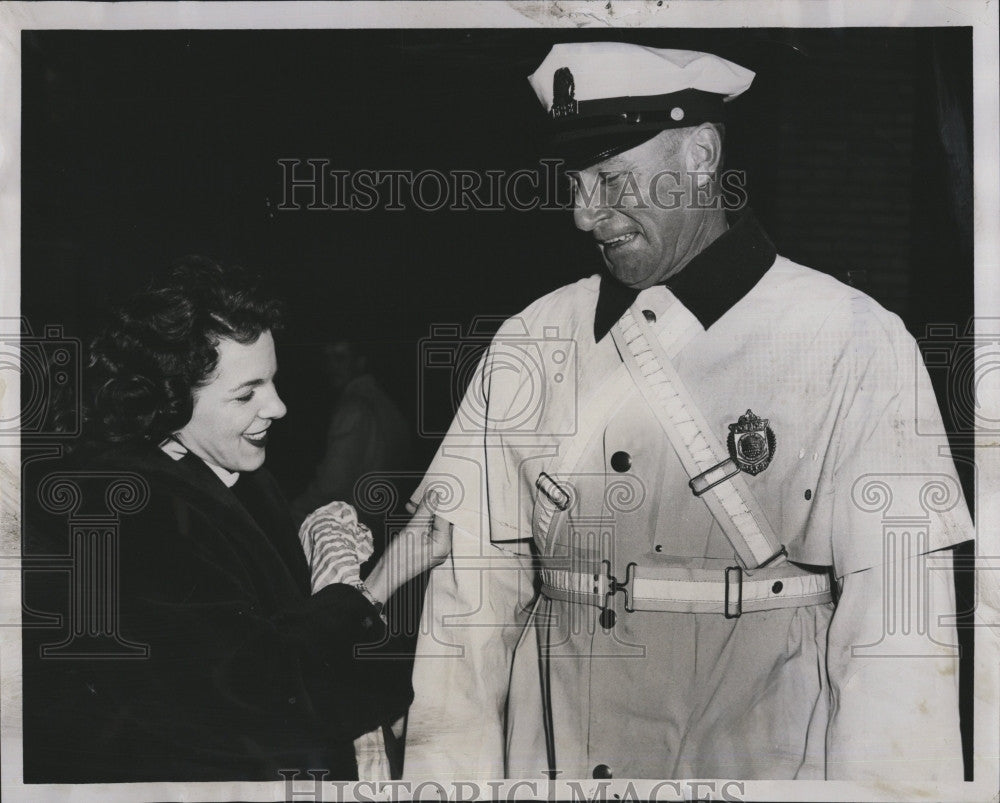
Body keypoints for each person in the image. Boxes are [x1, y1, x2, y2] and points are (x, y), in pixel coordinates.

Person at [403, 43, 972, 783]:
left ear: (701, 154)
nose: (583, 214)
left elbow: (900, 637)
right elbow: (464, 619)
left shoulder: (851, 340)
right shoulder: (531, 340)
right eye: (574, 182)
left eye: (609, 178)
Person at [21, 257, 450, 783]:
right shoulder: (127, 512)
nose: (279, 407)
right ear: (168, 400)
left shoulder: (229, 471)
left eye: (272, 380)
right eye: (247, 393)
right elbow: (255, 698)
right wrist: (381, 582)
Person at [291, 339, 412, 531]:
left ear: (359, 362)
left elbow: (332, 483)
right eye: (327, 358)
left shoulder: (355, 408)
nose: (331, 366)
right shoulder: (384, 404)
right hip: (376, 527)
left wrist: (291, 514)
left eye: (340, 358)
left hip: (351, 531)